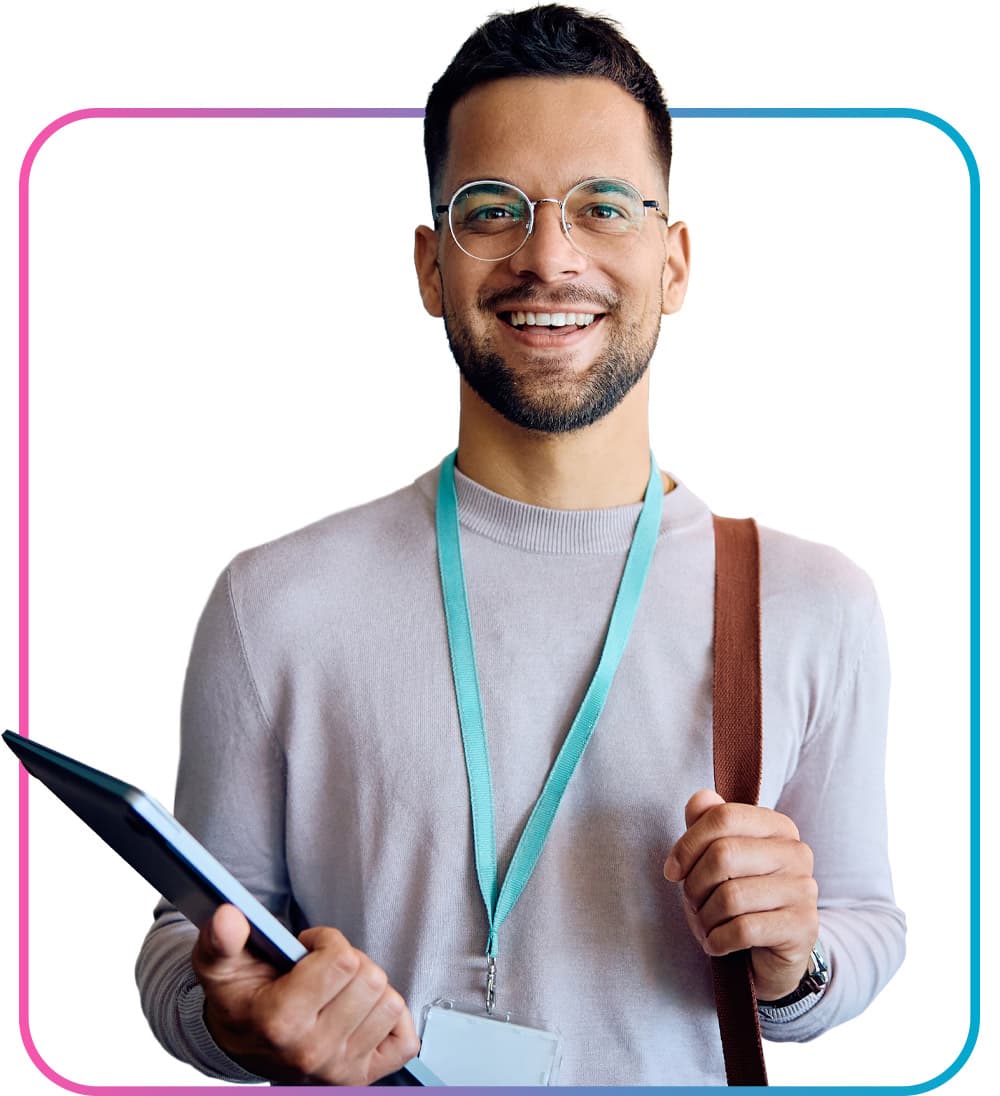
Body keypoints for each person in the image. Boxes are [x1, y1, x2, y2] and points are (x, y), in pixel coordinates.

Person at [136, 4, 906, 1086]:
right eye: (492, 210)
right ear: (430, 267)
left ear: (674, 263)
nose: (549, 256)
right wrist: (234, 1020)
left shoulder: (812, 600)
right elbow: (187, 943)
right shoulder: (275, 603)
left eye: (603, 207)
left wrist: (797, 959)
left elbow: (865, 920)